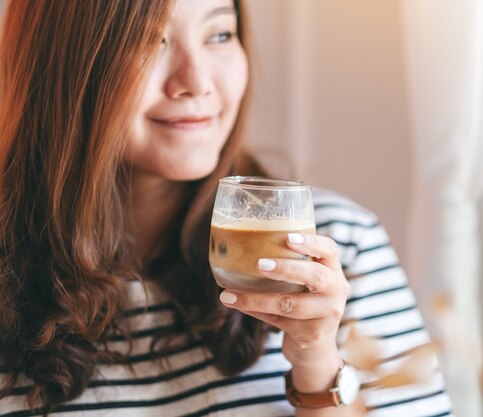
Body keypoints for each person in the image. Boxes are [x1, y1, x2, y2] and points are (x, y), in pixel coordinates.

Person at [0, 0, 454, 416]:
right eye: (147, 39)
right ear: (60, 61)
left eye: (219, 34)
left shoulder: (332, 247)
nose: (196, 82)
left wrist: (317, 364)